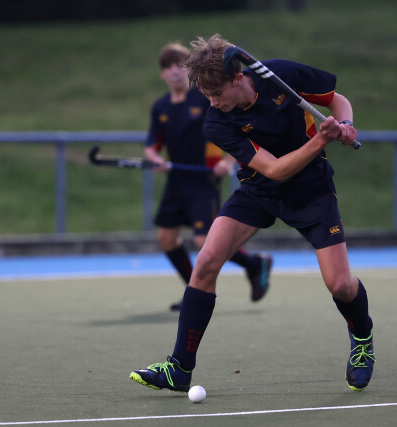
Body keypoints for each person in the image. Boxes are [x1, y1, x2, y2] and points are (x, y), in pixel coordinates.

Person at [130, 34, 375, 392]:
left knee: (340, 284)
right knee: (206, 261)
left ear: (238, 78)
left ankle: (363, 339)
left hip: (311, 190)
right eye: (207, 96)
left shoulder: (281, 75)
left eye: (217, 94)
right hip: (259, 189)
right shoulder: (216, 121)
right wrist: (321, 139)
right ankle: (179, 368)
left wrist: (347, 124)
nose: (212, 102)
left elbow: (336, 100)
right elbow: (274, 170)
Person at [145, 42, 273, 311]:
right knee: (166, 238)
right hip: (176, 181)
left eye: (179, 65)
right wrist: (155, 160)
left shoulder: (205, 98)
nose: (174, 71)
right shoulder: (160, 107)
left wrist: (226, 162)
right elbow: (152, 146)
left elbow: (232, 128)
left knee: (204, 241)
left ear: (188, 69)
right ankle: (193, 288)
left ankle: (253, 264)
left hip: (204, 180)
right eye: (168, 67)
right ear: (162, 74)